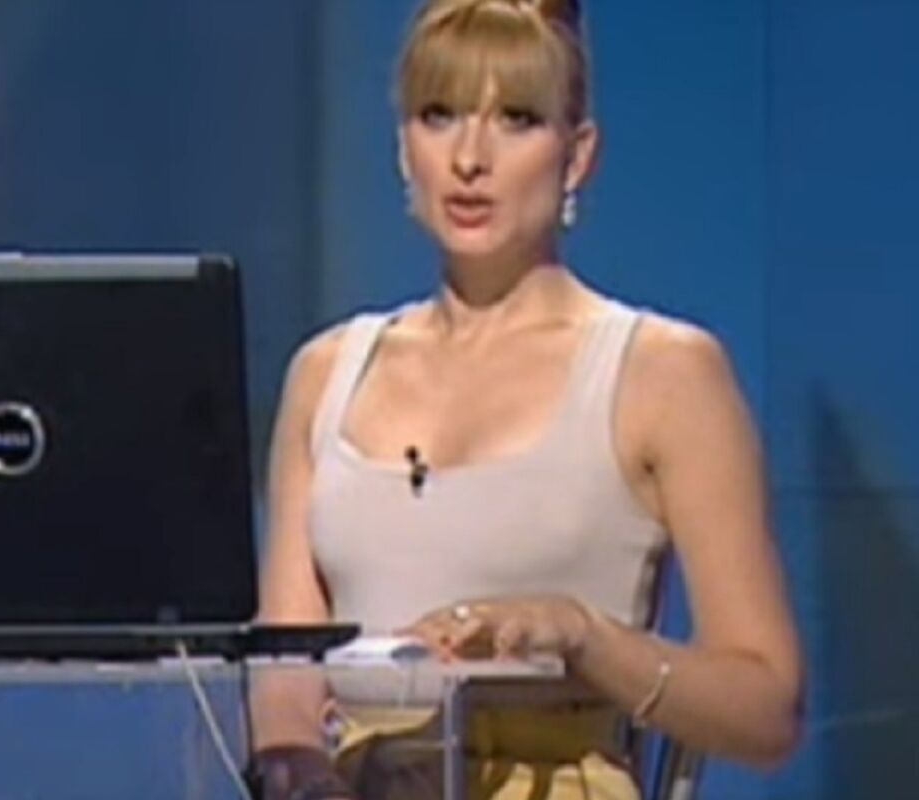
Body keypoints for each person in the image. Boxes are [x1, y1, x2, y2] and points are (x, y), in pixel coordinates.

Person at [251, 0, 804, 797]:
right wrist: (304, 775)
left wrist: (581, 635)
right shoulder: (325, 374)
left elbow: (767, 707)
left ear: (577, 157)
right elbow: (285, 684)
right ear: (403, 148)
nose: (469, 158)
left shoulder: (663, 374)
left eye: (516, 119)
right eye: (439, 115)